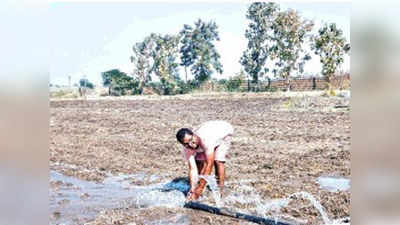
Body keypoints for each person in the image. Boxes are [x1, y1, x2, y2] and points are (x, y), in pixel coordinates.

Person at [176, 120, 234, 201]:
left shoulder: (206, 140)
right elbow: (192, 168)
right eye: (186, 143)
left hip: (224, 131)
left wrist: (199, 190)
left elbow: (209, 164)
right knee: (198, 162)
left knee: (218, 160)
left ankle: (220, 191)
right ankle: (196, 187)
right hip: (208, 133)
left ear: (194, 135)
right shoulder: (187, 148)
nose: (190, 145)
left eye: (191, 140)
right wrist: (192, 189)